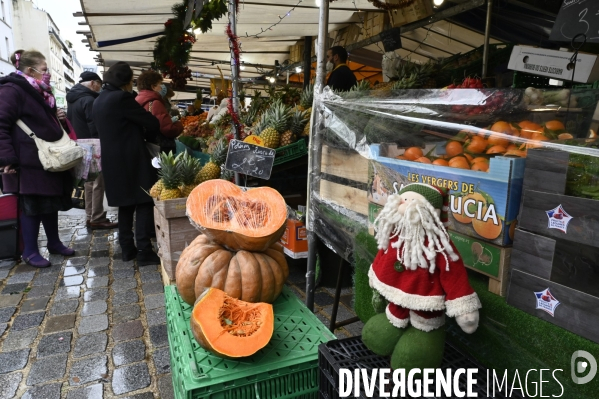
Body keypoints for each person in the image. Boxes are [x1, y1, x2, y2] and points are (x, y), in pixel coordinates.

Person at [0, 49, 75, 268]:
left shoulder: (41, 91)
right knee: (31, 205)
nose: (47, 74)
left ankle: (54, 242)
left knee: (49, 202)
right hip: (28, 160)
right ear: (30, 70)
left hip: (46, 157)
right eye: (44, 70)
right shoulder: (12, 90)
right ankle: (30, 251)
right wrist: (7, 159)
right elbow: (1, 124)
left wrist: (57, 117)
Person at [93, 62, 162, 265]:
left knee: (125, 203)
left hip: (111, 158)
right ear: (126, 82)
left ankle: (127, 249)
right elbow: (151, 122)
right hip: (131, 157)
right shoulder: (122, 98)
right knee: (143, 200)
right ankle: (144, 250)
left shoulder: (99, 100)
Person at [66, 71, 117, 230]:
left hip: (79, 143)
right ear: (93, 83)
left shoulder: (73, 99)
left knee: (88, 182)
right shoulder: (88, 99)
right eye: (99, 85)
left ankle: (90, 216)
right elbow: (94, 126)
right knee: (97, 183)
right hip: (93, 145)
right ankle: (97, 217)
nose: (100, 88)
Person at [135, 70, 183, 154]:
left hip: (146, 147)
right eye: (160, 84)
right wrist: (179, 125)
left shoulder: (138, 101)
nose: (162, 87)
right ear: (153, 87)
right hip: (160, 148)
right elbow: (168, 129)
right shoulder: (155, 103)